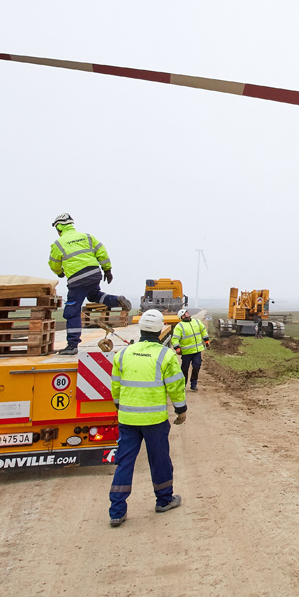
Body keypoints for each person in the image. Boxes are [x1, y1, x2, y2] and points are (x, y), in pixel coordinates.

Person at [108, 309, 187, 527]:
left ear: (141, 328)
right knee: (160, 460)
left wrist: (119, 406)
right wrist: (181, 410)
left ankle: (116, 511)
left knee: (124, 463)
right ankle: (164, 500)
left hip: (128, 420)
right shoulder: (166, 355)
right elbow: (176, 386)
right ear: (161, 330)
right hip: (154, 421)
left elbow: (115, 384)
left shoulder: (123, 354)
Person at [48, 213, 131, 355]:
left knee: (71, 310)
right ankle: (116, 301)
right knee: (94, 295)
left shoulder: (58, 244)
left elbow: (54, 263)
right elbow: (102, 251)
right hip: (94, 274)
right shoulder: (87, 237)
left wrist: (60, 273)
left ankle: (72, 345)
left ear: (59, 228)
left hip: (77, 278)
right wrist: (107, 270)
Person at [173, 308, 210, 391]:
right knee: (184, 369)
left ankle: (193, 384)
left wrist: (206, 340)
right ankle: (183, 384)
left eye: (187, 312)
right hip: (186, 352)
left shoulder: (197, 322)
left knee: (197, 366)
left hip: (197, 351)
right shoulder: (179, 326)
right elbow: (175, 339)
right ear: (182, 316)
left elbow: (203, 331)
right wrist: (177, 348)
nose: (187, 314)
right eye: (185, 313)